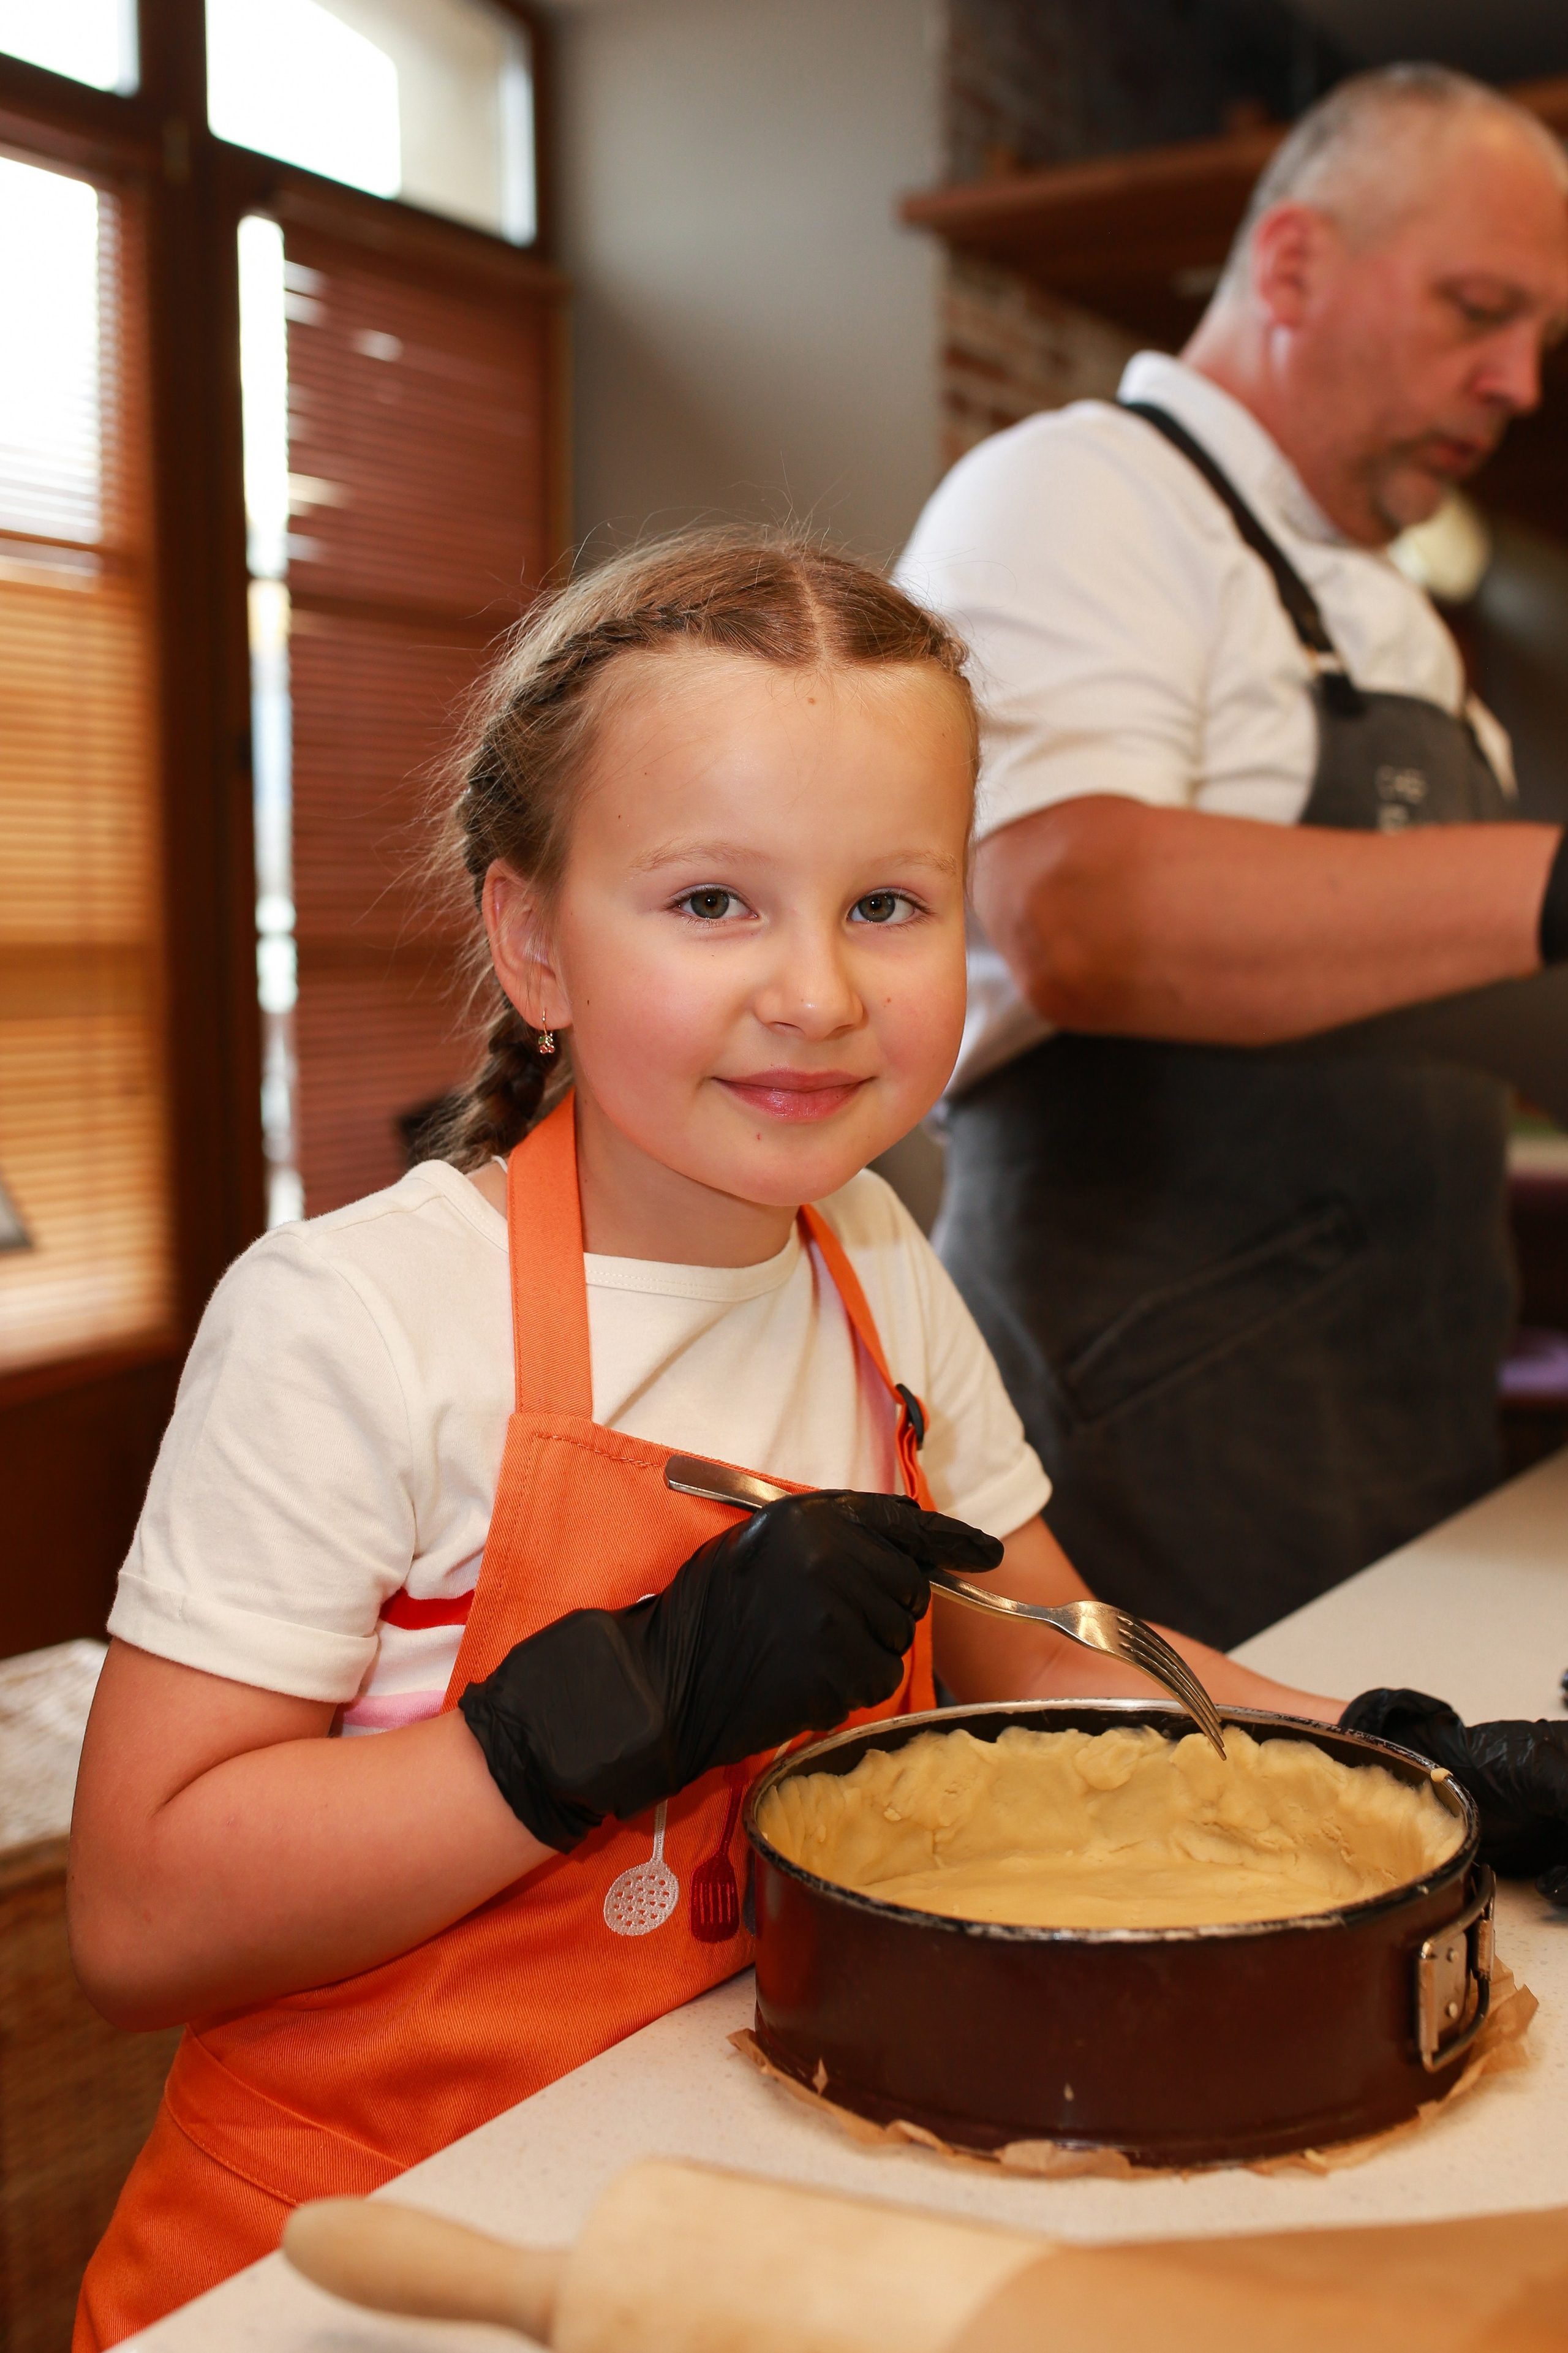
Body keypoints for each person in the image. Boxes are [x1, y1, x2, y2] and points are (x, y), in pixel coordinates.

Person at [68, 531, 1336, 2349]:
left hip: (720, 2212)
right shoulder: (355, 1320)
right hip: (348, 2258)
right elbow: (139, 1910)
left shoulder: (875, 1258)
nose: (817, 989)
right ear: (534, 942)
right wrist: (613, 1709)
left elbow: (1045, 1646)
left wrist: (1379, 1765)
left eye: (888, 904)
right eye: (713, 902)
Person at [897, 64, 1568, 1653]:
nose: (1521, 382)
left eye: (1543, 336)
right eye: (1481, 309)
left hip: (1389, 1415)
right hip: (1135, 1446)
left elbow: (1443, 966)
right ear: (1288, 268)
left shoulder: (1388, 607)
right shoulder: (1076, 494)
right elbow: (1080, 911)